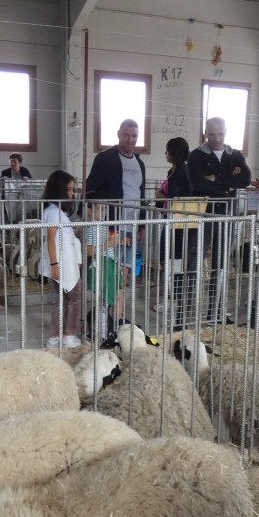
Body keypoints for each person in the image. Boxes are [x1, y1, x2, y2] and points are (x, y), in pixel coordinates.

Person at [188, 117, 250, 324]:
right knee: (195, 258)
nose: (216, 138)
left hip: (227, 214)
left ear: (226, 132)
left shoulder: (234, 155)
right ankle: (185, 311)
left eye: (220, 134)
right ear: (205, 133)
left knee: (221, 262)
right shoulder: (196, 155)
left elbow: (246, 179)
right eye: (212, 134)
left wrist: (217, 179)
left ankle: (214, 312)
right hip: (204, 214)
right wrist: (228, 185)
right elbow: (197, 182)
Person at [38, 170, 83, 349]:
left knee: (61, 299)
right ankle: (68, 335)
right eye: (70, 189)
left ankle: (56, 337)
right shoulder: (54, 212)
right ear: (60, 190)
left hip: (64, 261)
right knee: (74, 296)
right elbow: (51, 238)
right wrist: (54, 264)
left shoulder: (54, 211)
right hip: (61, 262)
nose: (72, 194)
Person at [160, 137, 197, 330]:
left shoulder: (185, 172)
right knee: (168, 261)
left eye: (167, 150)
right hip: (170, 221)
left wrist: (168, 199)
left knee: (180, 265)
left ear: (173, 153)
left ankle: (181, 312)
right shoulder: (172, 171)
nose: (165, 154)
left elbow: (186, 198)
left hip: (182, 226)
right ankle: (172, 301)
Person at [85, 119, 147, 231]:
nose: (130, 140)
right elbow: (90, 188)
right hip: (110, 226)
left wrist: (142, 226)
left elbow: (141, 194)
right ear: (118, 134)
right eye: (126, 135)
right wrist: (84, 215)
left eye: (134, 136)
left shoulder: (140, 163)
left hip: (134, 226)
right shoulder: (105, 158)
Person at [83, 190, 129, 341]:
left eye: (105, 209)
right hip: (100, 266)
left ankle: (104, 329)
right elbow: (90, 251)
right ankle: (101, 333)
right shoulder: (91, 227)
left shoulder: (101, 226)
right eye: (100, 209)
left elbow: (105, 244)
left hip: (108, 264)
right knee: (104, 301)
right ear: (89, 210)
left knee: (107, 301)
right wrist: (108, 243)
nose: (103, 212)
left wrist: (119, 242)